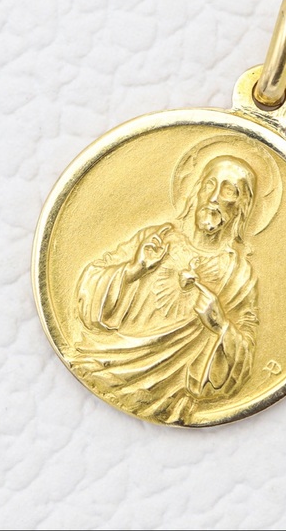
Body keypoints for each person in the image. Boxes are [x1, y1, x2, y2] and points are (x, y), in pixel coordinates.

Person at [73, 155, 259, 424]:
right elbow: (88, 287)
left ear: (242, 207)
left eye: (229, 191)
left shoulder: (238, 276)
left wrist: (220, 325)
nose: (214, 198)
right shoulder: (156, 238)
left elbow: (245, 358)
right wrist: (132, 270)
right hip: (107, 365)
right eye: (209, 185)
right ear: (196, 192)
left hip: (173, 398)